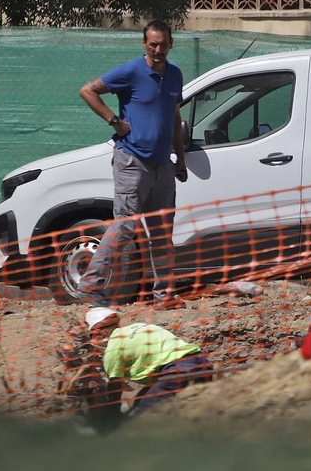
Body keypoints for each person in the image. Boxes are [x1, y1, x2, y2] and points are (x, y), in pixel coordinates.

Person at [78, 21, 187, 307]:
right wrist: (114, 121)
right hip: (132, 159)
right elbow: (87, 91)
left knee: (162, 230)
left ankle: (164, 295)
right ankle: (91, 285)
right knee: (125, 226)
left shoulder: (175, 75)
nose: (158, 49)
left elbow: (174, 119)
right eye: (153, 44)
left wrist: (180, 158)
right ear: (144, 44)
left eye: (163, 44)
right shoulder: (130, 71)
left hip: (163, 164)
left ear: (171, 43)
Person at [86, 307, 213, 417]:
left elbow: (115, 390)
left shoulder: (113, 349)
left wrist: (110, 419)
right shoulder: (140, 326)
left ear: (98, 332)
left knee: (143, 416)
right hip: (202, 364)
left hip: (177, 370)